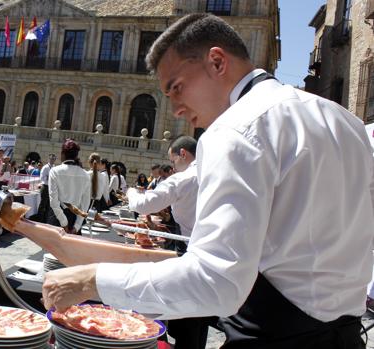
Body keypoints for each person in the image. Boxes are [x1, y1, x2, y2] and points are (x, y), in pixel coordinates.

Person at [42, 13, 373, 349]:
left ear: (217, 62)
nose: (175, 109)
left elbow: (217, 282)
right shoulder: (346, 122)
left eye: (176, 88)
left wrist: (91, 279)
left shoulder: (234, 129)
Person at [127, 135, 203, 348]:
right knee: (198, 318)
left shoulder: (185, 178)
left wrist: (132, 192)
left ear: (183, 154)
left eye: (173, 161)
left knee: (185, 313)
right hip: (203, 244)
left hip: (191, 249)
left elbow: (142, 204)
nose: (173, 166)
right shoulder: (212, 172)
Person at [47, 139, 90, 235]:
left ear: (62, 153)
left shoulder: (54, 171)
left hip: (57, 217)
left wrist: (64, 222)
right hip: (75, 217)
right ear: (76, 155)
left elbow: (53, 201)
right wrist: (77, 226)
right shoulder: (86, 175)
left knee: (52, 249)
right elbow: (85, 204)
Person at [37, 154, 56, 222]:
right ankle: (39, 219)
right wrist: (49, 178)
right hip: (45, 187)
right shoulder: (45, 167)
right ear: (49, 159)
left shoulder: (54, 167)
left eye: (54, 159)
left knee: (48, 205)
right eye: (51, 159)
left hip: (51, 187)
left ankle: (45, 220)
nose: (52, 160)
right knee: (42, 204)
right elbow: (42, 178)